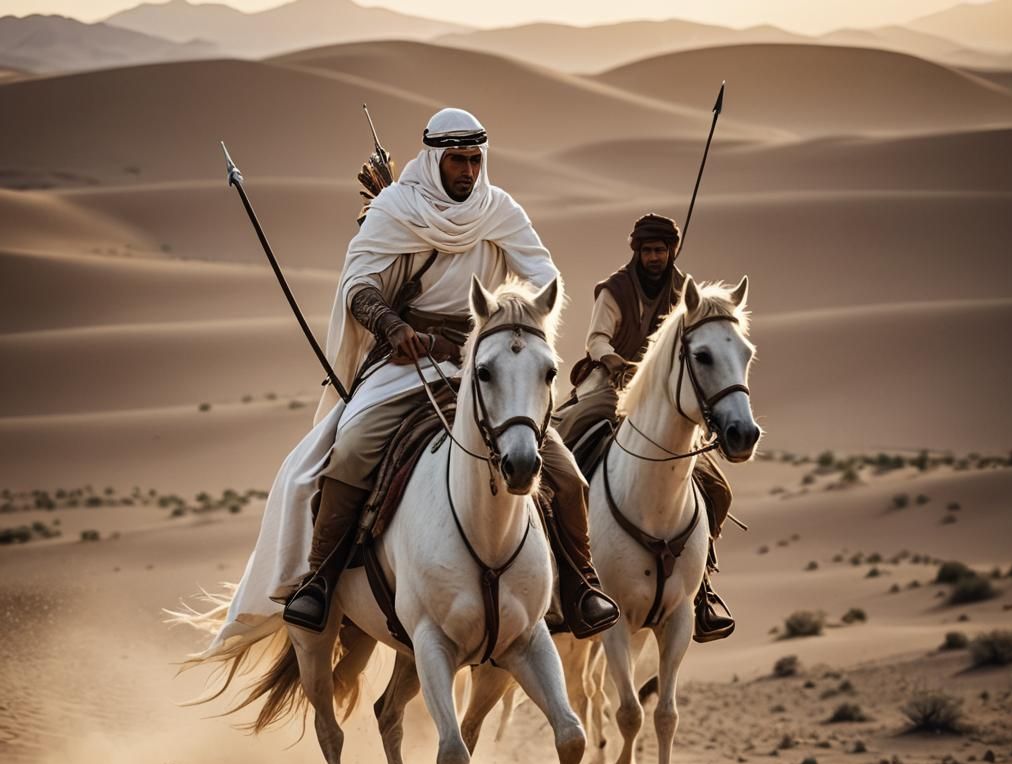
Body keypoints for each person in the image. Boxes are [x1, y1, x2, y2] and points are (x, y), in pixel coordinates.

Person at [281, 108, 618, 639]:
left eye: (475, 159)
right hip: (405, 363)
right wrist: (392, 326)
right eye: (458, 160)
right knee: (350, 453)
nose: (468, 170)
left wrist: (508, 322)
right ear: (435, 158)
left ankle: (581, 587)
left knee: (568, 476)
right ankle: (319, 582)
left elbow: (545, 277)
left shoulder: (499, 210)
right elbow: (358, 286)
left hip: (484, 365)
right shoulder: (395, 209)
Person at [555, 213, 736, 643]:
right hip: (610, 382)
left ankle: (700, 583)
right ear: (636, 252)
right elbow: (596, 339)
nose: (655, 257)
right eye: (648, 250)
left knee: (718, 489)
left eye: (661, 250)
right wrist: (613, 360)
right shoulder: (614, 290)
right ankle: (567, 565)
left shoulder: (686, 293)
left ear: (673, 251)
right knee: (569, 440)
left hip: (662, 394)